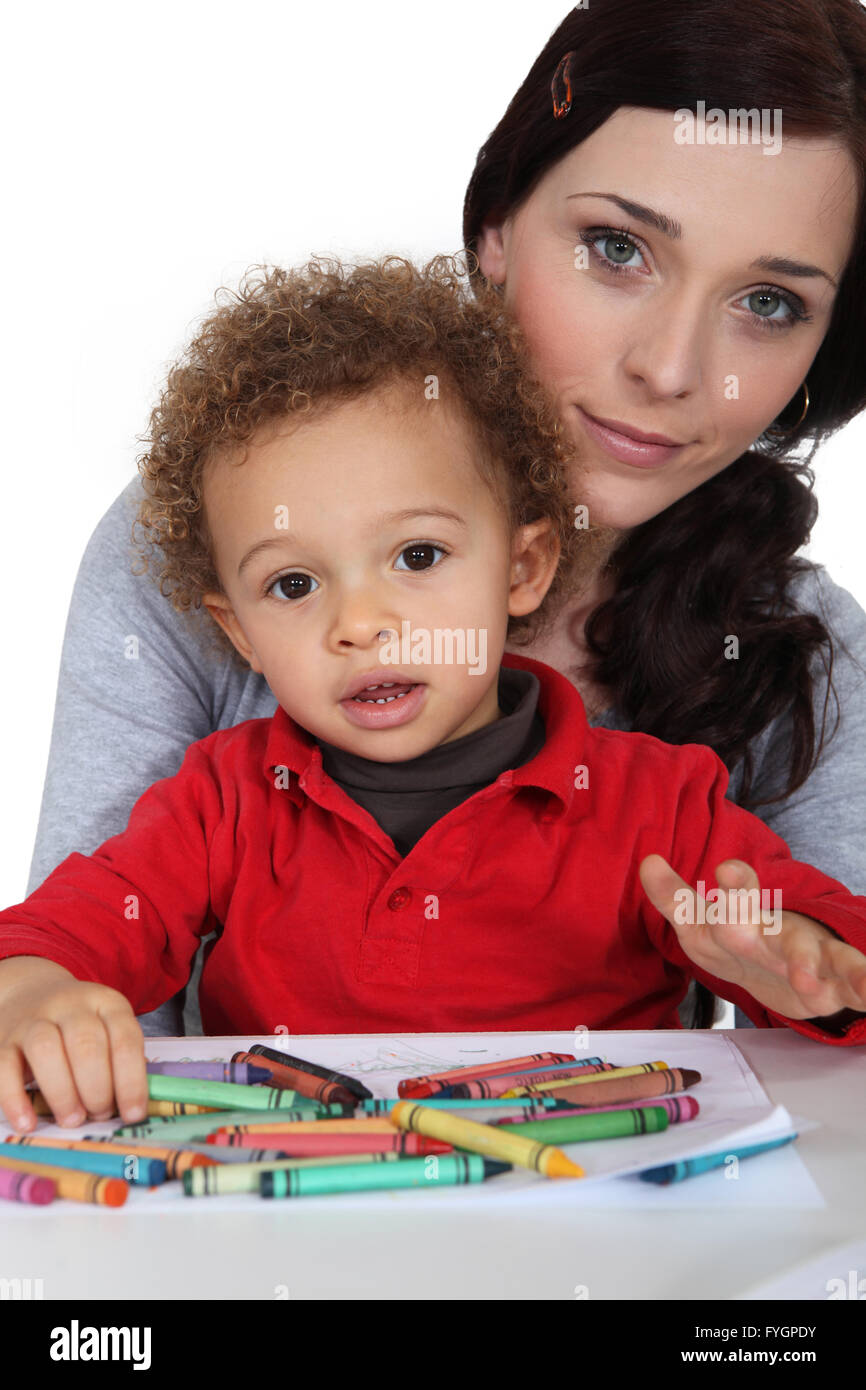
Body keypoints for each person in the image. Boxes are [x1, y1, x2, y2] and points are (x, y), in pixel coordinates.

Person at [21, 0, 866, 1037]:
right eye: (615, 247)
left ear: (524, 568)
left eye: (768, 303)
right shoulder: (212, 527)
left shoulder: (790, 668)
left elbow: (829, 1034)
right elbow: (85, 992)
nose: (668, 369)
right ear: (495, 229)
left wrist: (811, 979)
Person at [0, 255, 865, 1135]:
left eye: (417, 557)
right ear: (238, 634)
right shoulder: (219, 802)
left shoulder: (660, 801)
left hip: (589, 1216)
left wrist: (801, 957)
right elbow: (81, 925)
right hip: (298, 1209)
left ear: (524, 569)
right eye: (294, 585)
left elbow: (813, 940)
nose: (361, 623)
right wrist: (32, 983)